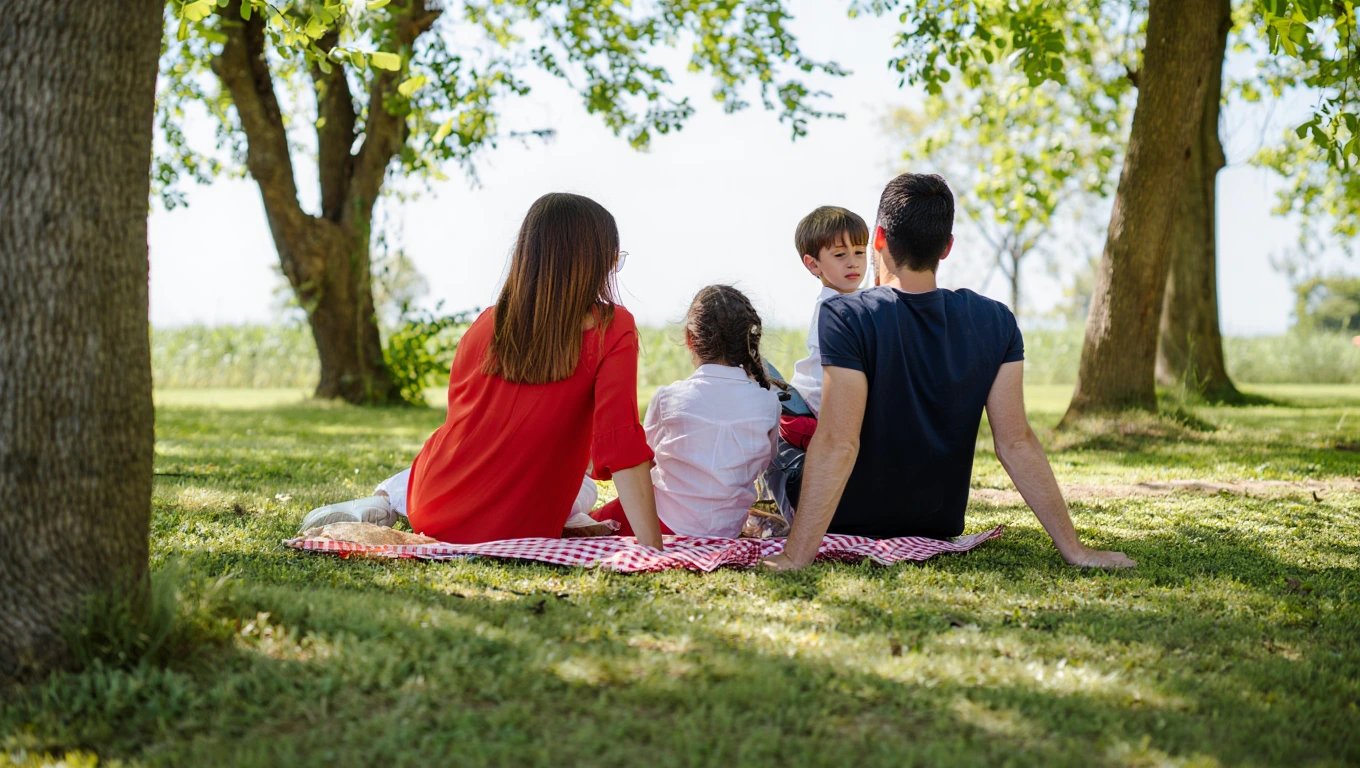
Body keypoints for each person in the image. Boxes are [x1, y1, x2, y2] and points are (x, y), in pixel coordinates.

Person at [762, 173, 1135, 571]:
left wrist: (795, 557)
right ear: (947, 247)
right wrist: (1076, 551)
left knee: (764, 396)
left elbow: (838, 442)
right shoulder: (996, 319)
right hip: (935, 521)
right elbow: (1016, 442)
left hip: (847, 516)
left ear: (880, 240)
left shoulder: (845, 314)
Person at [299, 192, 663, 549]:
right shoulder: (612, 328)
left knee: (442, 462)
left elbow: (467, 426)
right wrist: (653, 550)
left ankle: (385, 499)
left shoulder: (487, 324)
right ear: (594, 261)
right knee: (583, 487)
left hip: (434, 505)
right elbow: (621, 444)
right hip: (519, 525)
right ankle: (387, 498)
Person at [590, 285, 782, 538]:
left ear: (690, 338)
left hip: (662, 522)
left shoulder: (668, 398)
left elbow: (640, 464)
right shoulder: (768, 403)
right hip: (727, 528)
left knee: (581, 524)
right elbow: (766, 462)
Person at [782, 206, 870, 448]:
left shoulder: (860, 300)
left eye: (860, 252)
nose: (853, 263)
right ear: (813, 265)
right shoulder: (831, 308)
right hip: (809, 411)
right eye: (840, 255)